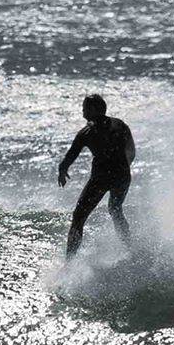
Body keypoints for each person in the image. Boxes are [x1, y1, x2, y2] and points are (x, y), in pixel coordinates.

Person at [57, 93, 135, 257]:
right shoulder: (120, 124)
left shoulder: (87, 132)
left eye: (85, 108)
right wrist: (122, 168)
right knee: (115, 210)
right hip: (123, 175)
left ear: (93, 109)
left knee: (78, 217)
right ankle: (130, 250)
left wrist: (62, 170)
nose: (82, 111)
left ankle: (69, 262)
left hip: (101, 178)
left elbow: (70, 156)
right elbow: (132, 151)